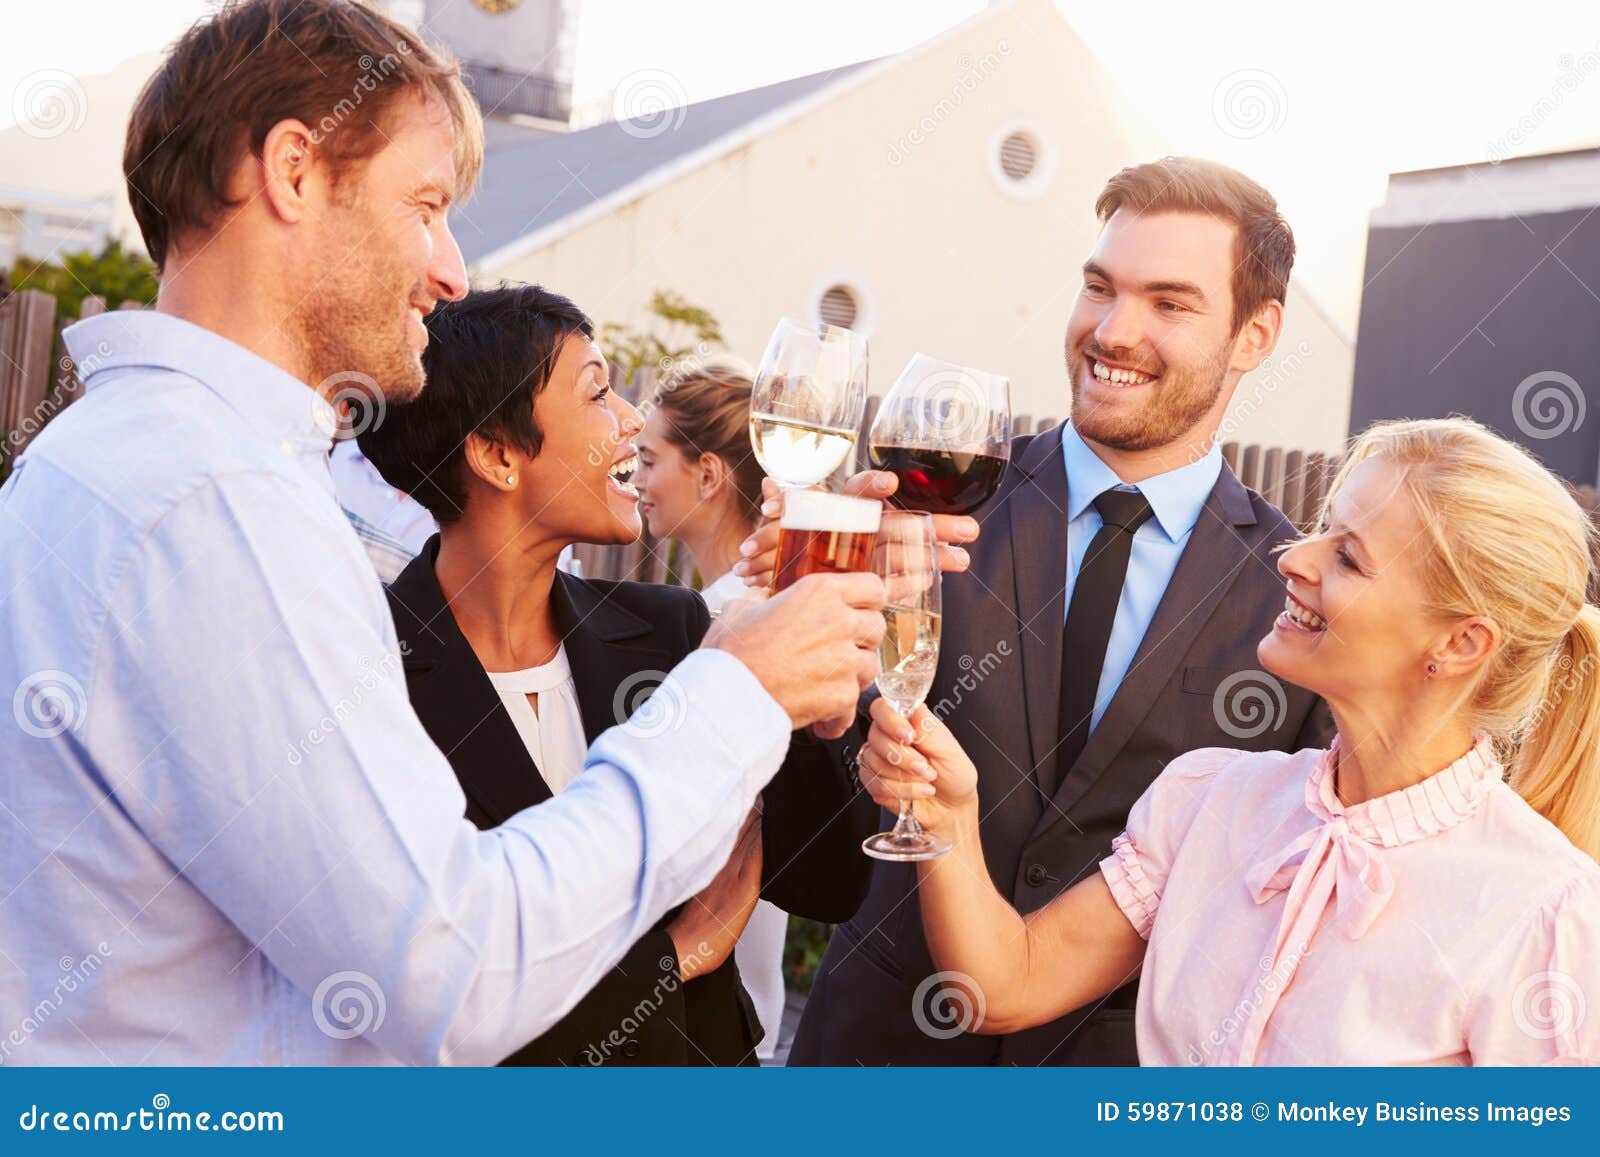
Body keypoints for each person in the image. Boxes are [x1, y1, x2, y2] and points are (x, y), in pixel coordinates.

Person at [0, 0, 883, 1066]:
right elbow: (446, 970)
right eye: (424, 206)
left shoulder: (106, 459)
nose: (451, 269)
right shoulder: (216, 498)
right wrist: (733, 689)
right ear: (292, 171)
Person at [760, 157, 1337, 1065]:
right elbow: (806, 845)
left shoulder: (1293, 591)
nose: (1113, 331)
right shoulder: (926, 506)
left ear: (1256, 334)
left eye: (1169, 303)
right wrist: (800, 650)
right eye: (1099, 287)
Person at [862, 416, 1600, 1065]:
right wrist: (948, 815)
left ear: (1462, 642)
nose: (1294, 558)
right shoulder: (1211, 797)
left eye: (1347, 557)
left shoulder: (1544, 913)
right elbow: (1007, 982)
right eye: (1322, 529)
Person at [361, 287, 877, 1065]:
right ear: (498, 454)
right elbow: (432, 990)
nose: (632, 420)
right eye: (599, 392)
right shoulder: (371, 679)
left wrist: (801, 679)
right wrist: (675, 957)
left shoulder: (671, 630)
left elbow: (828, 883)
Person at [632, 356, 790, 1060]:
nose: (636, 481)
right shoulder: (743, 606)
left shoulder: (720, 623)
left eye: (647, 458)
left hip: (710, 1010)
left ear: (706, 475)